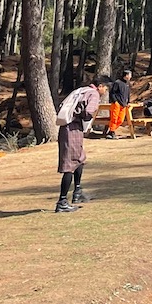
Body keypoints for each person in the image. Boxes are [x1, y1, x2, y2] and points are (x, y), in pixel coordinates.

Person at [54, 74, 108, 213]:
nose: (105, 92)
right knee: (69, 164)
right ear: (100, 86)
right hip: (72, 128)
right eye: (105, 88)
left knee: (80, 159)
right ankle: (62, 201)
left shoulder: (81, 90)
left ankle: (77, 191)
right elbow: (89, 111)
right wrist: (85, 119)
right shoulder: (94, 94)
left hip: (67, 127)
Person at [106, 69, 132, 138]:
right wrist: (115, 101)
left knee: (121, 120)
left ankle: (111, 131)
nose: (130, 77)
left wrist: (128, 102)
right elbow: (112, 93)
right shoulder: (117, 82)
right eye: (130, 75)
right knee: (114, 118)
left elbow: (128, 94)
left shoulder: (127, 83)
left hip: (124, 104)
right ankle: (112, 132)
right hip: (116, 104)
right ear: (126, 75)